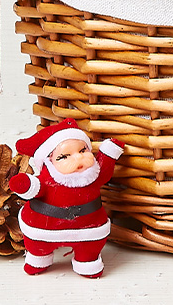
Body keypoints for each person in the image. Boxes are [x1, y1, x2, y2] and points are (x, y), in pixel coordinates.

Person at [8, 118, 124, 278]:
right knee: (38, 246)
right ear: (49, 161)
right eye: (64, 157)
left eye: (82, 150)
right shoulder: (46, 181)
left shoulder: (93, 174)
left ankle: (87, 263)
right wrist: (25, 185)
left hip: (88, 229)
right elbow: (35, 188)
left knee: (89, 249)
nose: (78, 158)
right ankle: (38, 260)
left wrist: (109, 153)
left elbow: (104, 171)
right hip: (44, 229)